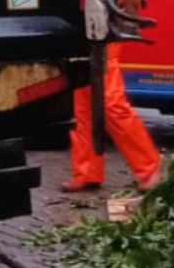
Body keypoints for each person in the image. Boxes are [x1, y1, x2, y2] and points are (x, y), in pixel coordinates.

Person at [63, 42, 163, 193]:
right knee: (82, 110)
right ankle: (87, 172)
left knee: (113, 106)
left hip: (101, 34)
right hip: (80, 36)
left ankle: (149, 169)